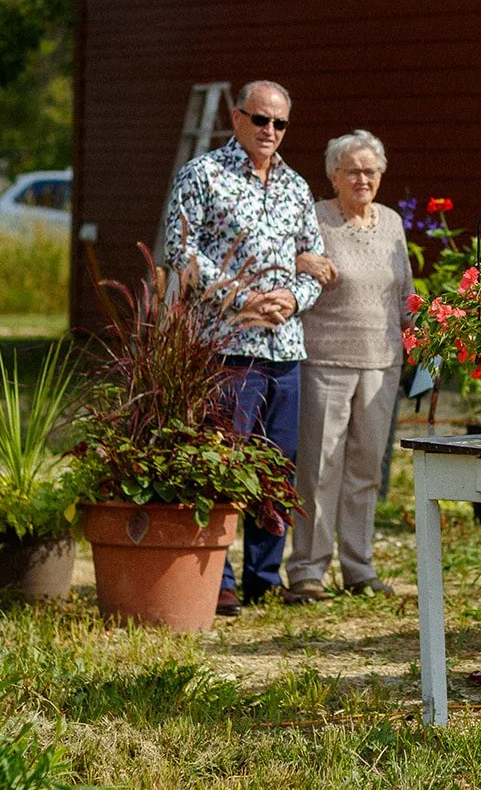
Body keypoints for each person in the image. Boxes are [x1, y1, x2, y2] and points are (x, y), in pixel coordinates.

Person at [165, 79, 323, 614]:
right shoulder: (203, 175)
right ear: (236, 119)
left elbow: (315, 264)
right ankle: (220, 576)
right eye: (261, 120)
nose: (270, 132)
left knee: (277, 467)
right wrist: (242, 299)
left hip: (285, 347)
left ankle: (263, 574)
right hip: (226, 345)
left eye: (280, 124)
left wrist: (290, 297)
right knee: (222, 461)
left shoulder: (296, 186)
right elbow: (180, 250)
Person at [285, 130, 414, 600]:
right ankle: (307, 571)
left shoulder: (393, 222)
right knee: (319, 468)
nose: (363, 179)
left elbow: (404, 291)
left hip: (383, 364)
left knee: (366, 472)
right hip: (325, 360)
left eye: (371, 171)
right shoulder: (315, 219)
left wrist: (426, 332)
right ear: (333, 175)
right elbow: (285, 265)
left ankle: (359, 569)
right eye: (352, 170)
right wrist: (302, 261)